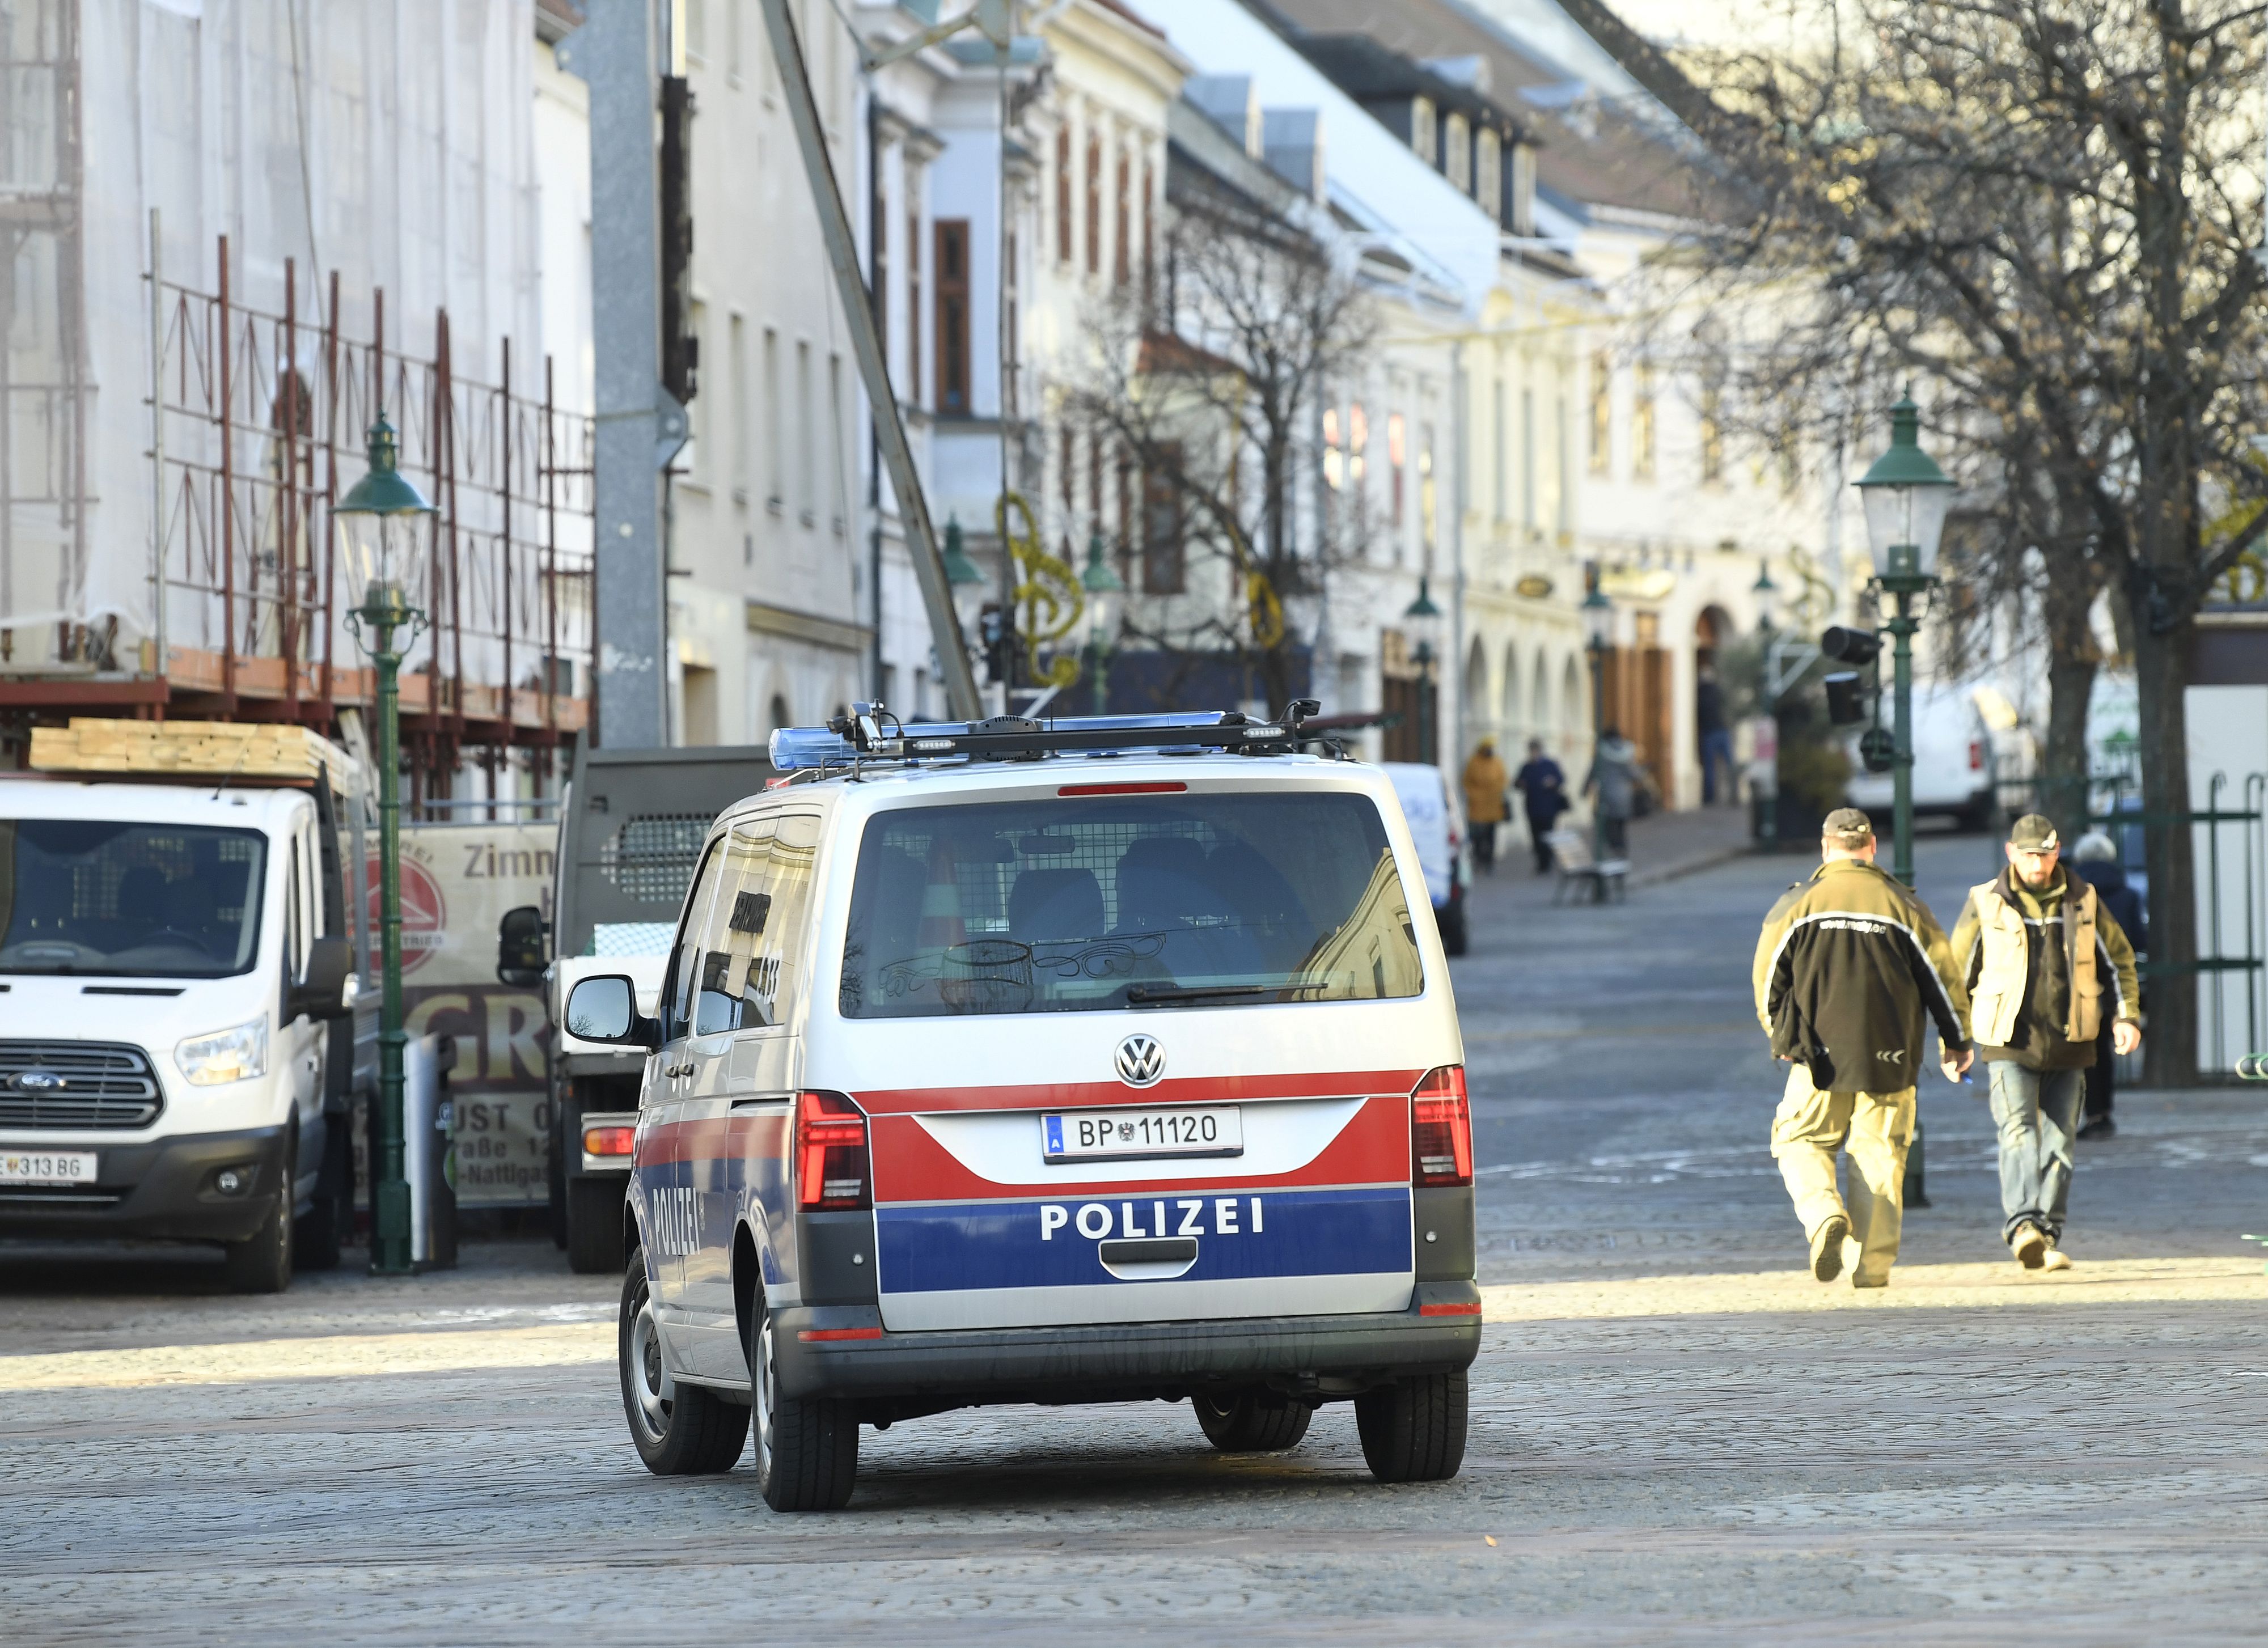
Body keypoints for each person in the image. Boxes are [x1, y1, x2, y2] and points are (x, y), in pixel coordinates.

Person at [1751, 807, 1971, 1288]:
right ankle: (1869, 1268)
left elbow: (1768, 979)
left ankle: (1825, 1216)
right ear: (1872, 848)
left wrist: (1780, 1036)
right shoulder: (1905, 905)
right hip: (1891, 1052)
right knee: (1880, 1155)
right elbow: (1943, 978)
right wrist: (1956, 1040)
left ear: (1826, 847)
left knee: (1800, 1139)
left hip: (1816, 1054)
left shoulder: (1797, 903)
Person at [1949, 815, 2142, 1271]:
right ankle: (2022, 1226)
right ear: (2012, 853)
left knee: (2060, 1142)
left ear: (2058, 852)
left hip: (2071, 1037)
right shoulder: (1986, 900)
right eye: (2030, 855)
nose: (2038, 864)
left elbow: (2119, 959)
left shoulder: (2084, 897)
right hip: (2008, 1039)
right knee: (2017, 1132)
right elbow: (1957, 973)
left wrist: (2127, 1016)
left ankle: (2047, 1232)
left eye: (2047, 854)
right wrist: (1953, 1039)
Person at [2070, 831, 2146, 1141]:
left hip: (2079, 982)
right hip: (2112, 984)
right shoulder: (2127, 895)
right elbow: (2137, 940)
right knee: (2103, 1051)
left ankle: (2080, 1114)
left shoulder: (2073, 894)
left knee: (2078, 1053)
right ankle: (2102, 1114)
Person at [1584, 727, 1640, 858]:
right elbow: (1634, 774)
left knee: (1608, 825)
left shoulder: (1602, 753)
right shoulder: (1626, 752)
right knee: (1621, 826)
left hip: (1607, 796)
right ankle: (1621, 851)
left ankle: (1615, 850)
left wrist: (1585, 790)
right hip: (1624, 795)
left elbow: (1593, 772)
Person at [1514, 739, 1568, 874]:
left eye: (1535, 750)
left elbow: (1561, 779)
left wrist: (1552, 782)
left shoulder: (1549, 765)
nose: (1534, 753)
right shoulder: (1527, 767)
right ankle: (1541, 862)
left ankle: (1547, 860)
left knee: (1548, 834)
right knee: (1536, 836)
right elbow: (1517, 783)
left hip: (1549, 808)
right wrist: (1521, 784)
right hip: (1533, 807)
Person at [1461, 738, 1509, 875]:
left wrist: (1496, 792)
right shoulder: (1474, 762)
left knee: (1491, 836)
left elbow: (1503, 780)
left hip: (1493, 807)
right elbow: (1467, 781)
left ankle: (1489, 861)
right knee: (1478, 836)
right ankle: (1479, 859)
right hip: (1477, 807)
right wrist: (1474, 795)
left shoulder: (1497, 762)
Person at [1697, 664, 1734, 806]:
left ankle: (1709, 798)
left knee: (1710, 768)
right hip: (1721, 730)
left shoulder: (1701, 693)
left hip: (1709, 732)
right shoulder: (1718, 691)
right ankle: (1734, 795)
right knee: (1729, 765)